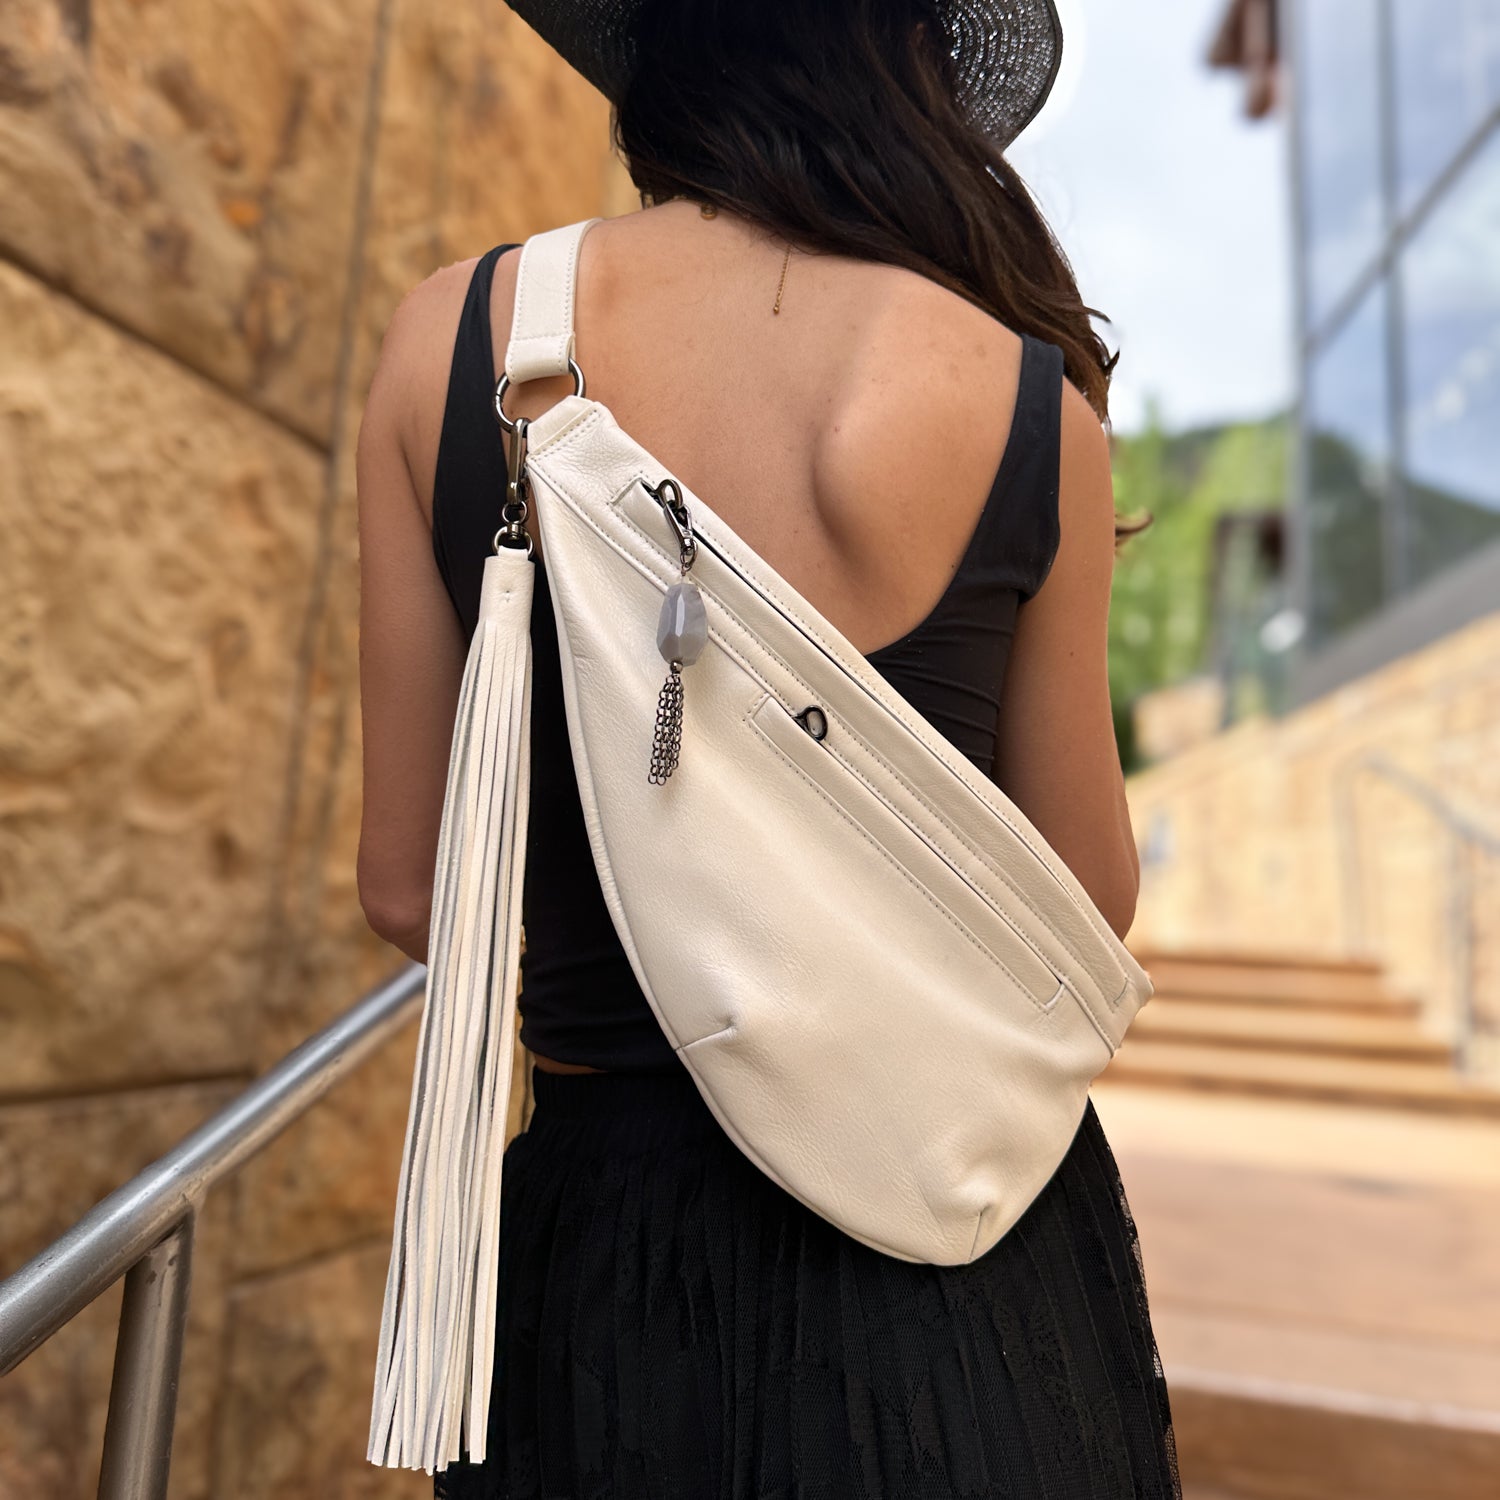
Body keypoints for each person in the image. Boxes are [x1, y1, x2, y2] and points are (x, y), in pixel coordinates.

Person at [355, 2, 1182, 1495]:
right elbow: (1086, 900)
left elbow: (414, 889)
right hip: (961, 1242)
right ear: (910, 67)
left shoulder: (459, 341)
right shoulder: (1025, 403)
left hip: (608, 1260)